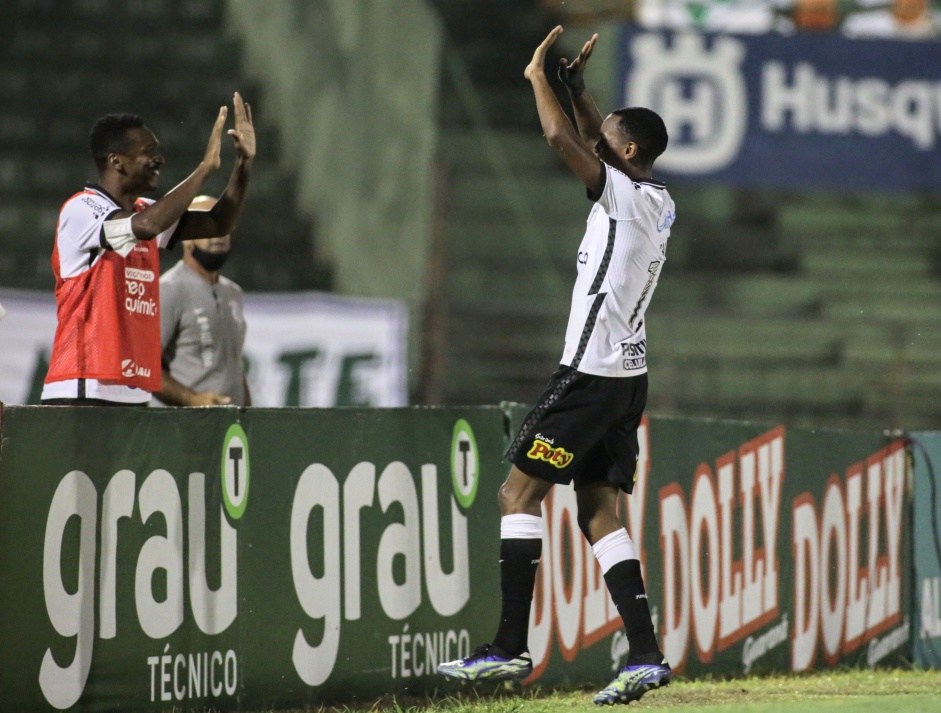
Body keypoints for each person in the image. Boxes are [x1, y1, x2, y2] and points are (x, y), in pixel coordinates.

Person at [437, 27, 675, 706]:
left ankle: (508, 645)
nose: (594, 138)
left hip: (588, 375)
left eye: (607, 138)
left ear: (625, 153)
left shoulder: (621, 197)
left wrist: (537, 76)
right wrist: (575, 87)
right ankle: (646, 655)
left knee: (517, 495)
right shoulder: (655, 201)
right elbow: (597, 139)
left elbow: (561, 142)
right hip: (627, 377)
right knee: (599, 512)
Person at [41, 93, 255, 406]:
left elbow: (217, 223)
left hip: (133, 392)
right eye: (148, 152)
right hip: (84, 389)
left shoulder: (146, 209)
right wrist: (204, 169)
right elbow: (146, 227)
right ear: (117, 161)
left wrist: (243, 163)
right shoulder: (82, 209)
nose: (159, 159)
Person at [154, 195, 250, 407]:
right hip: (184, 426)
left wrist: (249, 415)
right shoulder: (169, 289)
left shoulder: (233, 293)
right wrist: (193, 400)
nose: (219, 233)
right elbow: (145, 367)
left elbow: (235, 367)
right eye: (208, 225)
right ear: (186, 236)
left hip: (229, 428)